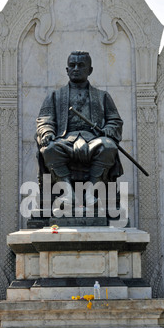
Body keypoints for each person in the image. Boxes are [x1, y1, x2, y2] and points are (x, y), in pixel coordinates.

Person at [36, 51, 123, 211]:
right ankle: (68, 193)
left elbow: (114, 120)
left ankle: (91, 192)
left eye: (81, 65)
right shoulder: (55, 96)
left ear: (89, 70)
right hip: (64, 140)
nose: (76, 68)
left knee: (109, 147)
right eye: (72, 65)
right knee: (49, 149)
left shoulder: (103, 96)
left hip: (94, 140)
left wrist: (109, 129)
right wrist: (47, 132)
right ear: (67, 69)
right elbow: (45, 119)